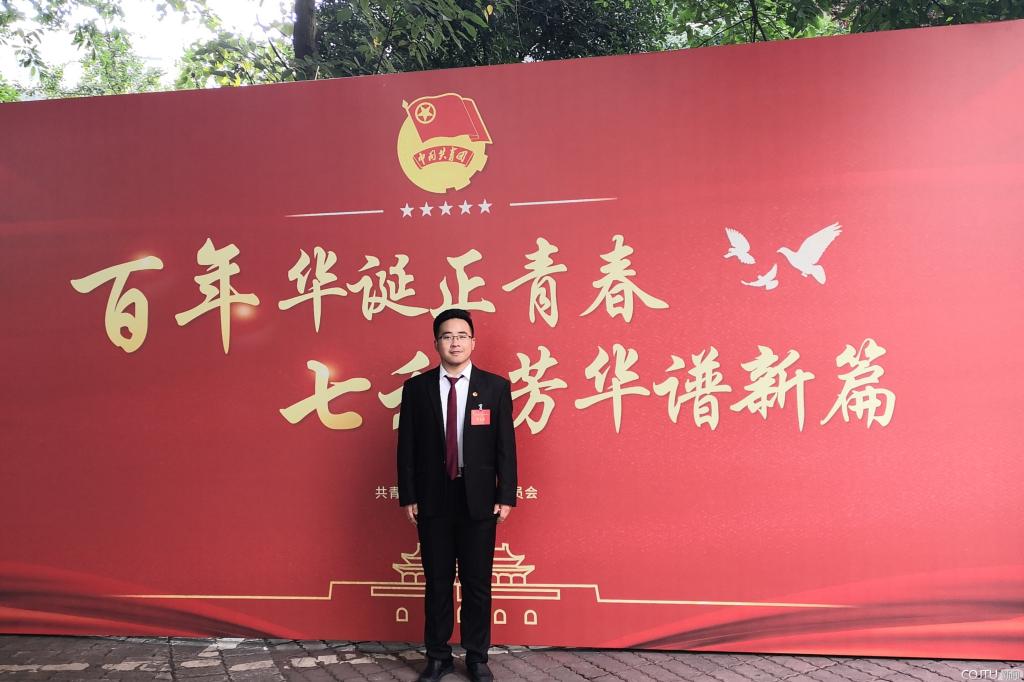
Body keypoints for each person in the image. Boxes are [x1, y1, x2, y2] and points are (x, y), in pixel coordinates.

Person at [397, 308, 518, 682]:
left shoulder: (494, 387)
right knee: (437, 582)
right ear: (436, 343)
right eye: (447, 336)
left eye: (462, 335)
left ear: (473, 341)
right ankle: (438, 656)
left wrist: (506, 495)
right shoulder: (417, 389)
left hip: (478, 497)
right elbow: (406, 447)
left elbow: (506, 446)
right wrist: (408, 495)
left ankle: (477, 657)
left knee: (477, 582)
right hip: (433, 497)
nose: (455, 342)